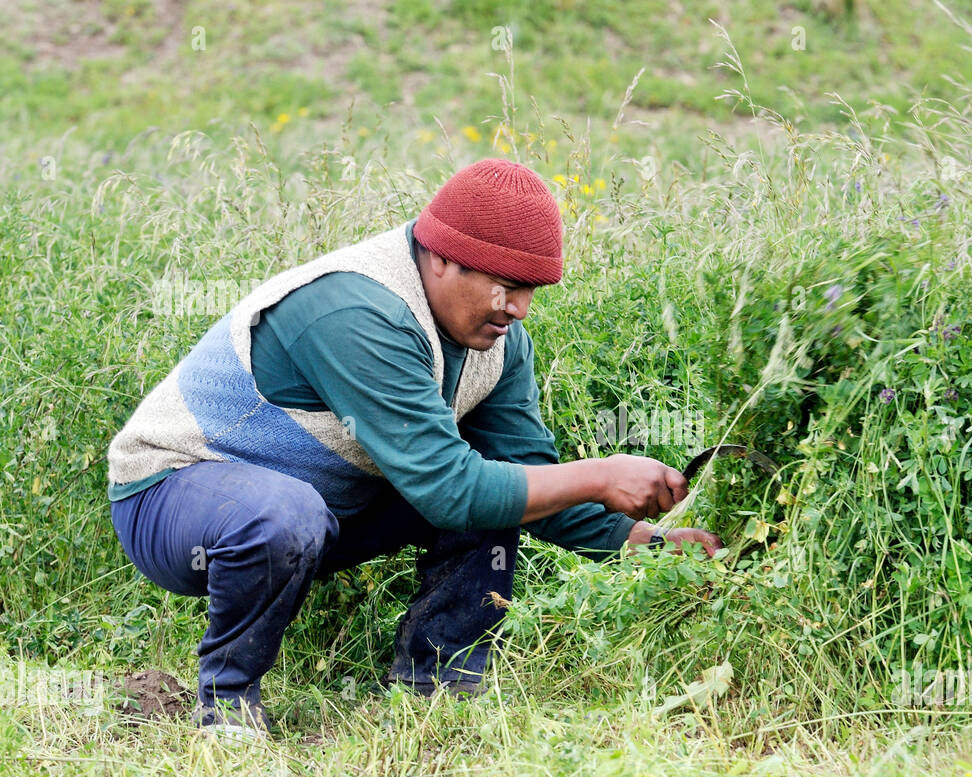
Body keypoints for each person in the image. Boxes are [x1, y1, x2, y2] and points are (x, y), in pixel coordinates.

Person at [106, 157, 721, 737]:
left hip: (319, 513)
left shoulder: (495, 342)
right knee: (296, 511)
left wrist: (644, 543)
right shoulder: (356, 310)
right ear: (442, 260)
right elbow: (451, 490)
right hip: (175, 497)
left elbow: (528, 479)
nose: (520, 309)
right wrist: (603, 472)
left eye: (532, 289)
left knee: (499, 488)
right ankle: (229, 708)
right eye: (506, 285)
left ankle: (438, 694)